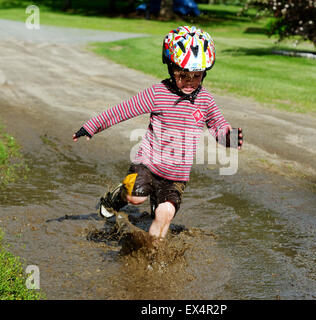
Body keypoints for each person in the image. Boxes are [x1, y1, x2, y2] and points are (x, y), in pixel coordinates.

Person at [73, 26, 243, 241]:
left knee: (165, 214)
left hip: (176, 175)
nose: (190, 82)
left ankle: (152, 257)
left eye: (196, 76)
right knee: (135, 198)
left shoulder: (205, 100)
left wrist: (227, 136)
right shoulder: (157, 93)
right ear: (171, 68)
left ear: (205, 73)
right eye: (183, 75)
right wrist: (92, 126)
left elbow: (218, 125)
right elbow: (122, 110)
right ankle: (117, 196)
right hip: (148, 163)